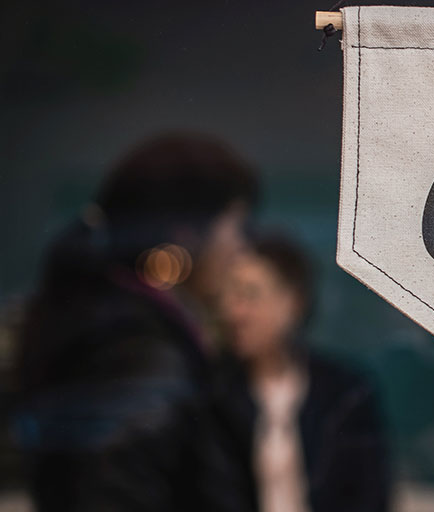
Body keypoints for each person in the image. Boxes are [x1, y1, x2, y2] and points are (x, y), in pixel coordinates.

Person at [12, 132, 260, 511]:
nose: (241, 247)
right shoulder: (140, 352)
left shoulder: (108, 322)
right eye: (235, 227)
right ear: (188, 233)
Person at [214, 231, 390, 512]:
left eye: (250, 295)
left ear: (292, 302)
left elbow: (369, 497)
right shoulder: (214, 392)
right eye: (230, 296)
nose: (235, 312)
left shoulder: (346, 393)